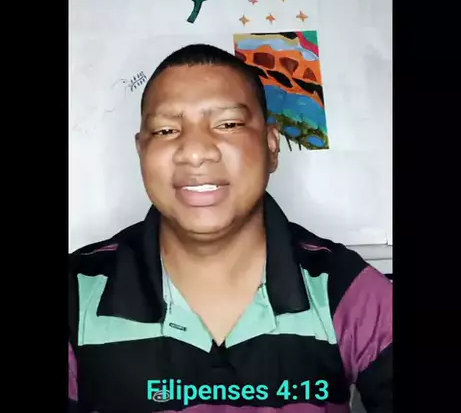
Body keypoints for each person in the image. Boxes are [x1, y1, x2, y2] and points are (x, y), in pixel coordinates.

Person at [68, 44, 392, 413]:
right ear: (141, 151)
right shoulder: (77, 293)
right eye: (166, 130)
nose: (195, 152)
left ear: (272, 146)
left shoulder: (346, 288)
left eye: (228, 124)